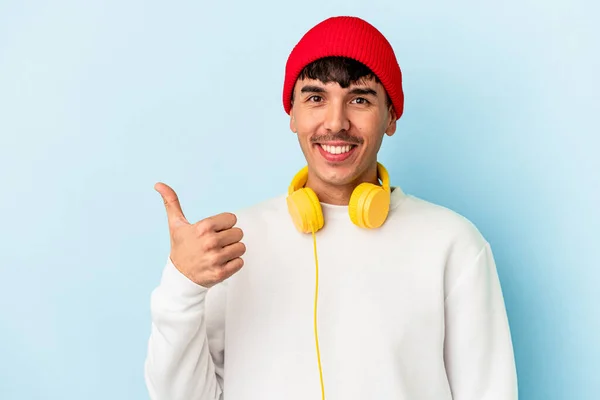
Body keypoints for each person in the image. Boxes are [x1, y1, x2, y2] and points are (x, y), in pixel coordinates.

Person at [144, 16, 518, 400]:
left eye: (359, 99)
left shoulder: (452, 243)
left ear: (391, 116)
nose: (336, 123)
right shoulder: (231, 244)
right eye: (315, 97)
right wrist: (182, 285)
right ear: (292, 114)